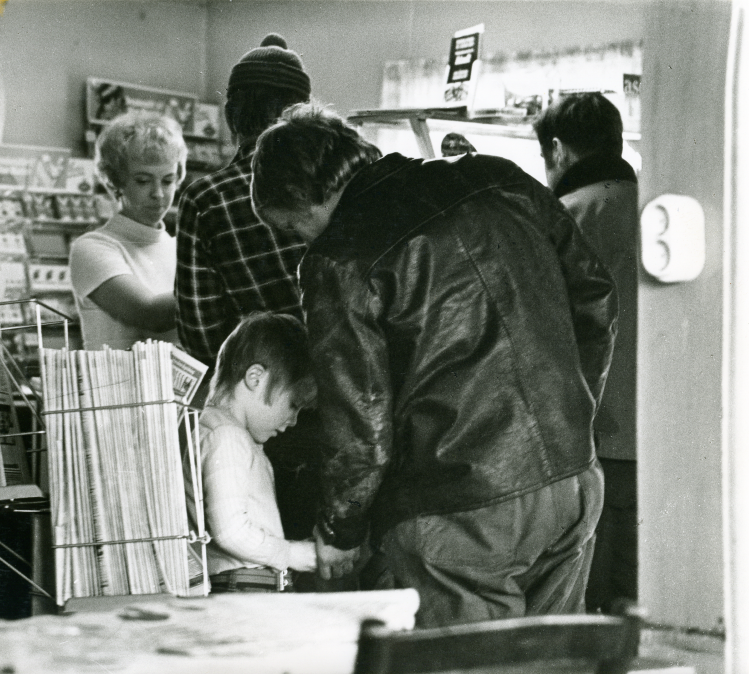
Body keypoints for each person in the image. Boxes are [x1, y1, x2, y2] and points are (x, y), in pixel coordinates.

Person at [251, 104, 618, 627]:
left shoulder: (339, 257)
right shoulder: (496, 177)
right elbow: (597, 300)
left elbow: (361, 421)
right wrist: (572, 409)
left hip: (459, 506)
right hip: (572, 478)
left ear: (300, 197)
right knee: (551, 661)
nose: (302, 244)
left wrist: (339, 533)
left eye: (293, 231)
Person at [175, 33, 323, 545]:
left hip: (267, 412)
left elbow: (200, 332)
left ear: (232, 113)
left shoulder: (206, 197)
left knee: (272, 551)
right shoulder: (340, 185)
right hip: (356, 406)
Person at [534, 92, 639, 614]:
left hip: (588, 445)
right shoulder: (657, 207)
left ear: (557, 151)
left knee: (585, 609)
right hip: (668, 451)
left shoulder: (561, 218)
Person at [197, 313, 318, 593]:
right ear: (255, 377)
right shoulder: (226, 436)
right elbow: (230, 531)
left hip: (246, 583)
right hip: (245, 587)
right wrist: (295, 555)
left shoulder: (220, 432)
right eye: (293, 404)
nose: (294, 421)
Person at [69, 111, 187, 350]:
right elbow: (149, 314)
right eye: (143, 181)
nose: (158, 194)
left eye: (167, 180)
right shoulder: (92, 248)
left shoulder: (179, 247)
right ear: (115, 181)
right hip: (116, 387)